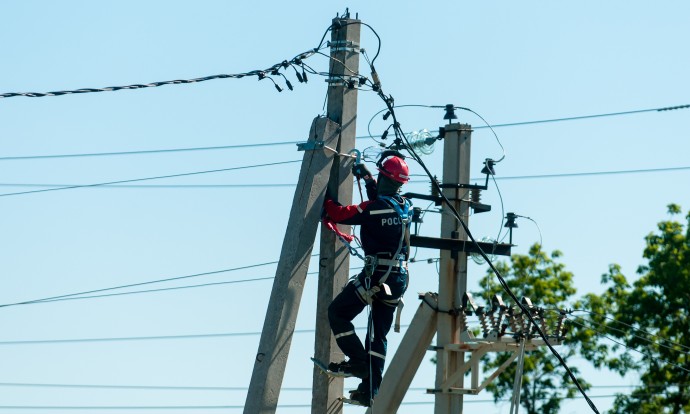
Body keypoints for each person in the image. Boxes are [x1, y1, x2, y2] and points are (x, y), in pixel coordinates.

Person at [323, 152, 412, 407]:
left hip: (376, 277)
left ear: (386, 178)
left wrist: (323, 199)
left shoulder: (372, 209)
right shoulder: (406, 207)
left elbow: (339, 214)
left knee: (338, 313)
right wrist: (369, 178)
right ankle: (370, 391)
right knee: (378, 336)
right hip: (398, 280)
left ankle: (359, 362)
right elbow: (385, 203)